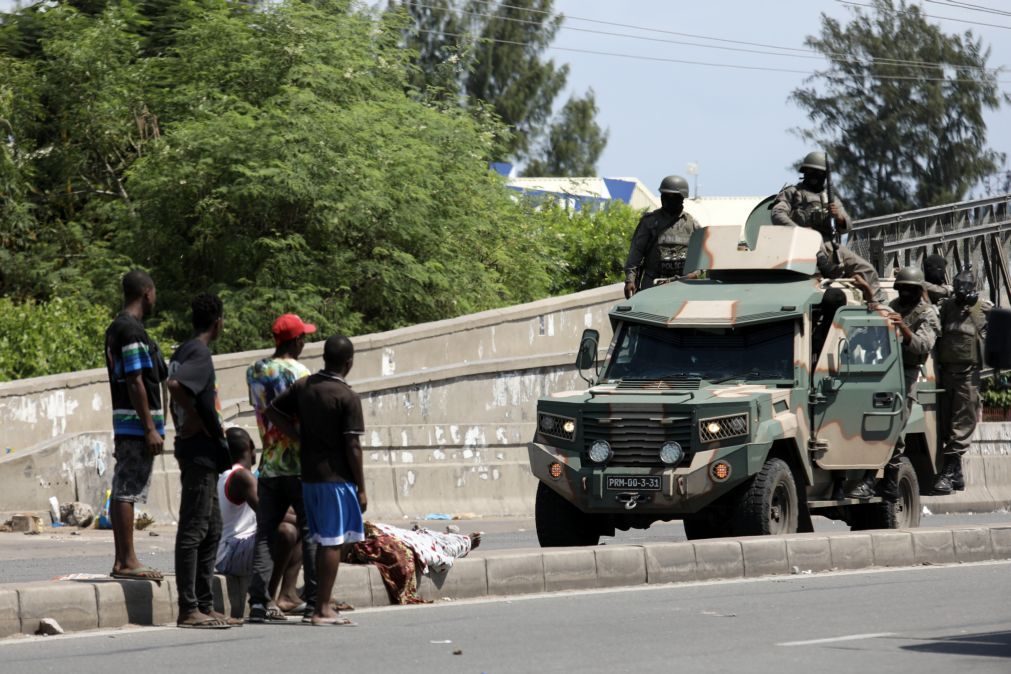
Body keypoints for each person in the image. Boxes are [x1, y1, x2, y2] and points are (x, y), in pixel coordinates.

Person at [267, 334, 367, 627]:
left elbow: (273, 410)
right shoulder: (347, 397)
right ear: (348, 363)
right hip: (336, 479)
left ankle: (318, 604)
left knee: (322, 539)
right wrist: (361, 486)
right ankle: (322, 608)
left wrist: (298, 436)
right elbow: (353, 446)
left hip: (308, 477)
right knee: (333, 543)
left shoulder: (304, 385)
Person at [166, 293, 235, 629]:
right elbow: (175, 385)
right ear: (218, 320)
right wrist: (192, 416)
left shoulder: (183, 350)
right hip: (198, 450)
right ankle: (188, 608)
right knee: (194, 528)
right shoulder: (200, 354)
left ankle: (204, 605)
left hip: (200, 450)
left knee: (213, 528)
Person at [246, 314, 319, 624]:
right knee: (310, 530)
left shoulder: (255, 371)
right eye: (303, 337)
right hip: (298, 463)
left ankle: (259, 602)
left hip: (270, 462)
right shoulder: (302, 373)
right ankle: (315, 602)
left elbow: (263, 411)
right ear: (296, 341)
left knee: (265, 533)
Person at [847, 267, 940, 499]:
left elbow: (922, 346)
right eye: (902, 289)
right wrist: (868, 294)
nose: (905, 294)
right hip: (882, 368)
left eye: (910, 290)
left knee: (894, 429)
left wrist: (902, 327)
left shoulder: (928, 314)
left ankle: (880, 482)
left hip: (906, 373)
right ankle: (874, 482)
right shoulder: (895, 306)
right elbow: (879, 311)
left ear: (919, 291)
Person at [103, 270, 167, 582]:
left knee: (124, 488)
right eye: (154, 293)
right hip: (134, 426)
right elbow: (135, 380)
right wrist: (149, 427)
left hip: (131, 424)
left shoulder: (124, 328)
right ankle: (126, 560)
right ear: (146, 292)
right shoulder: (129, 331)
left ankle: (124, 560)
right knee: (126, 489)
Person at [771, 151, 883, 302]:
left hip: (829, 244)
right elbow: (777, 214)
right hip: (800, 242)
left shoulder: (830, 198)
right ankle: (829, 271)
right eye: (811, 172)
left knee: (866, 269)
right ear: (805, 172)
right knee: (815, 243)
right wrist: (800, 232)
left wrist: (838, 216)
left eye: (819, 173)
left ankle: (877, 304)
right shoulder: (793, 193)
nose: (815, 176)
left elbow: (847, 226)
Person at [216, 428, 304, 613]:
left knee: (301, 527)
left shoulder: (227, 475)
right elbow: (269, 513)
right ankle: (267, 598)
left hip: (236, 550)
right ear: (252, 449)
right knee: (286, 531)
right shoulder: (240, 476)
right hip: (231, 553)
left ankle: (287, 595)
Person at [934, 267, 991, 495]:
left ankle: (948, 474)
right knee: (946, 425)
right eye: (958, 287)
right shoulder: (947, 307)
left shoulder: (982, 308)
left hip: (969, 375)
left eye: (965, 287)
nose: (961, 291)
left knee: (962, 425)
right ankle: (956, 475)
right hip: (946, 373)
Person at [348, 522, 482, 605]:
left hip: (386, 535)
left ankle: (458, 540)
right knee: (431, 545)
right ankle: (463, 542)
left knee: (424, 539)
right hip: (402, 540)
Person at [623, 175, 702, 299]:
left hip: (683, 287)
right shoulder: (649, 222)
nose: (667, 199)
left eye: (672, 196)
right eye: (665, 195)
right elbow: (635, 254)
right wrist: (630, 280)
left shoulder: (692, 224)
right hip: (653, 286)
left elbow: (701, 257)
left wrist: (695, 273)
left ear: (681, 198)